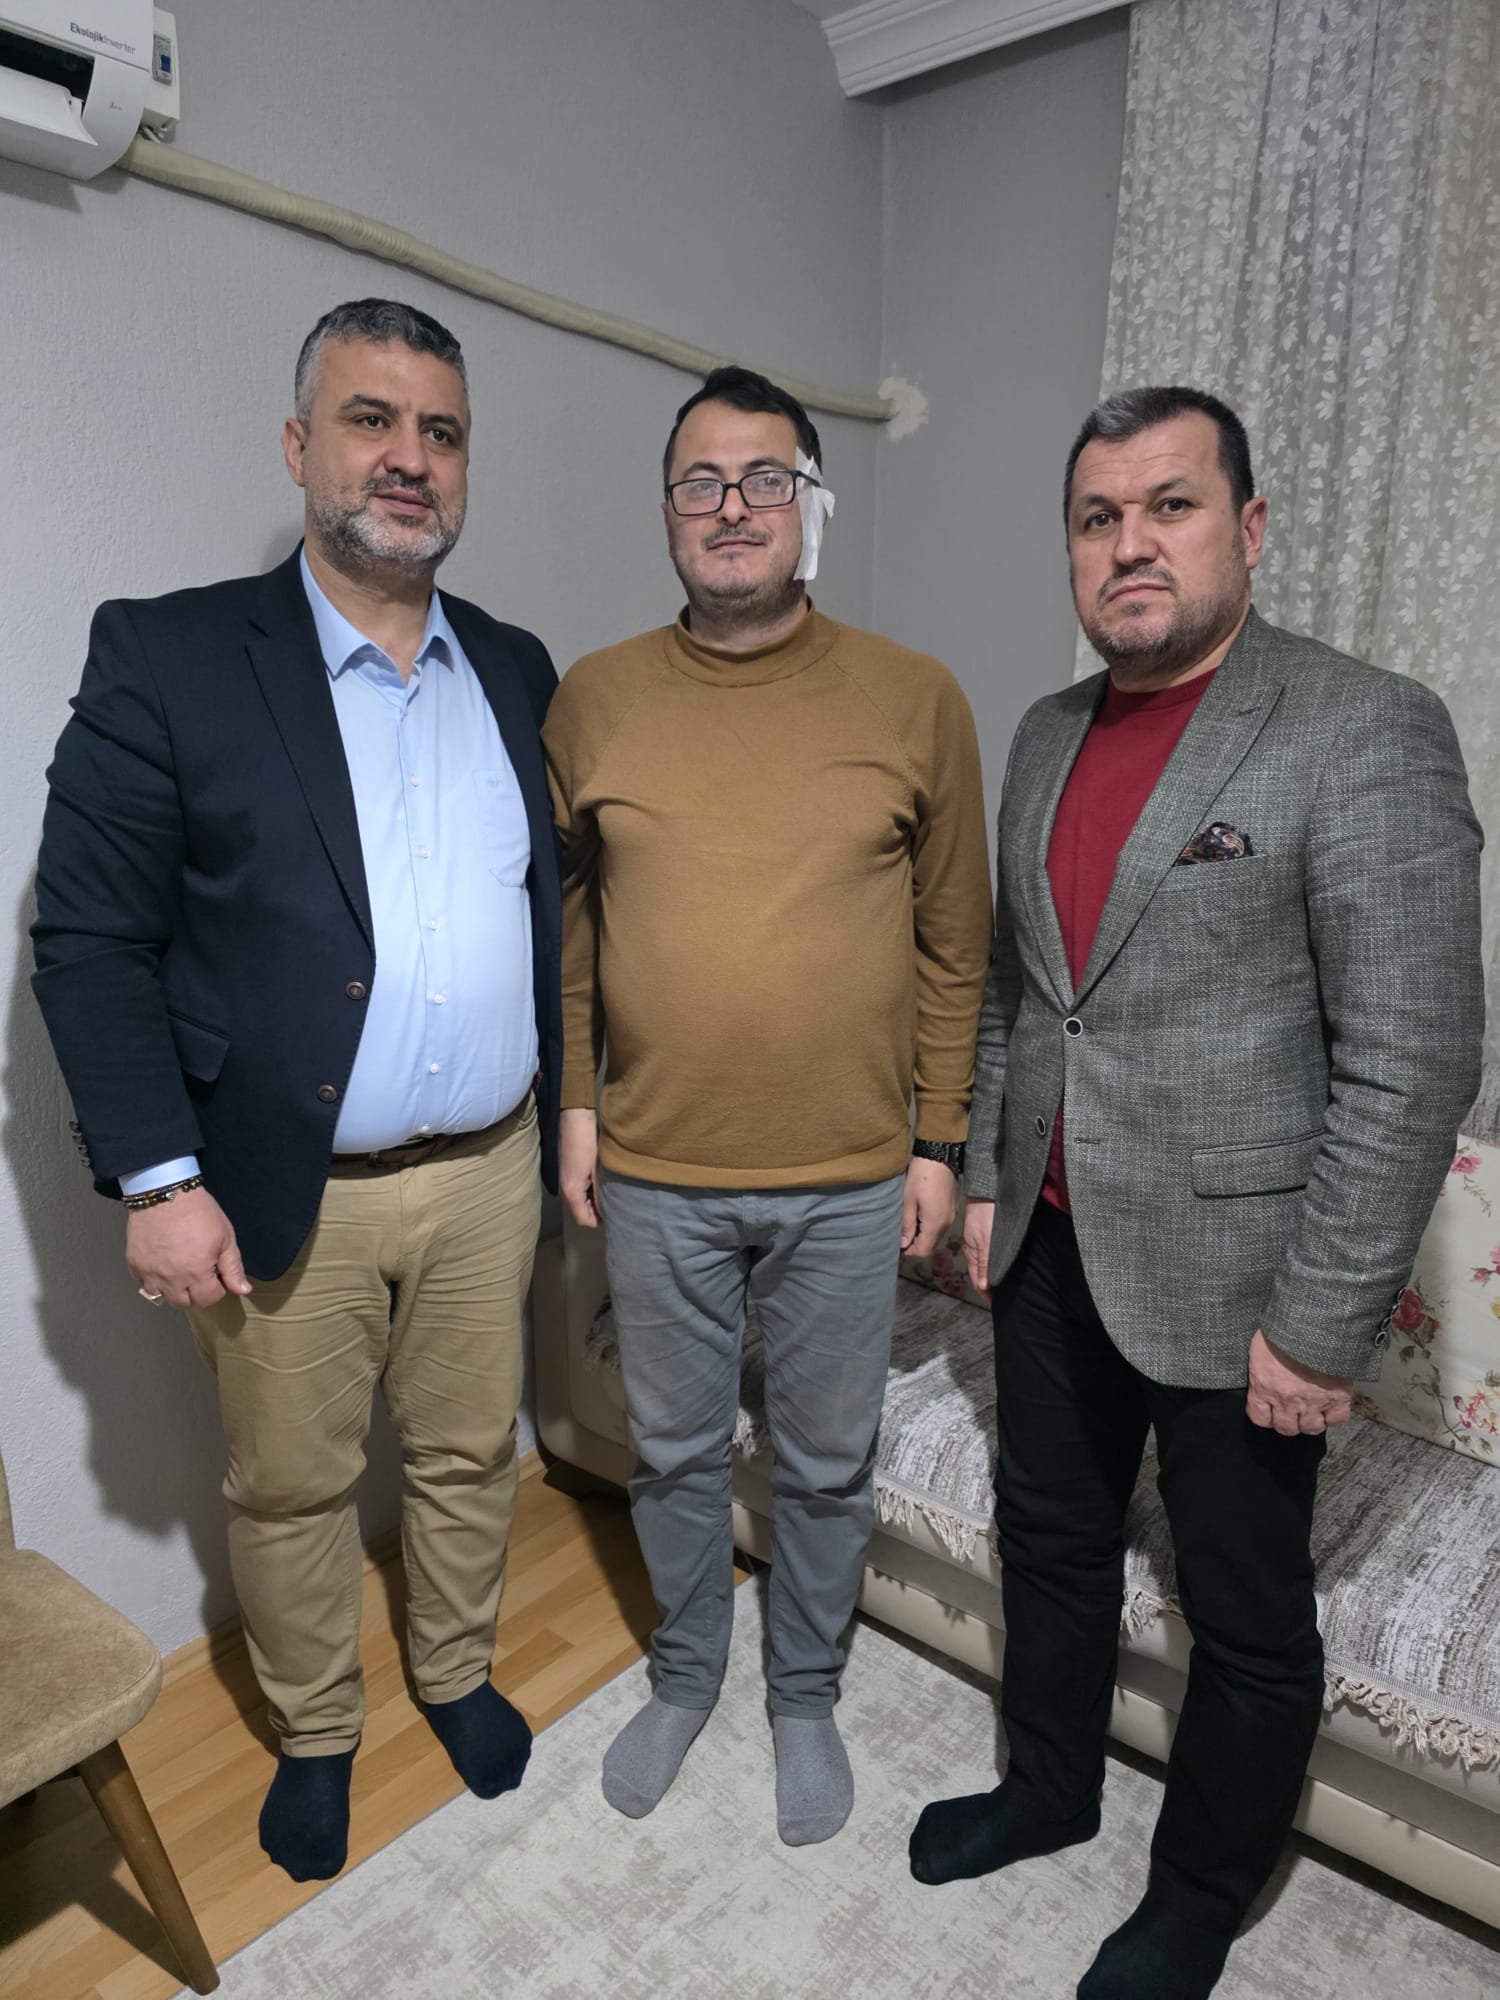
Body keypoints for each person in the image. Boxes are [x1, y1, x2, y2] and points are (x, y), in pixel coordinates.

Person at [908, 385, 1484, 1998]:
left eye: (1170, 506)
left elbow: (1413, 1059)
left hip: (1246, 1291)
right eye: (1098, 518)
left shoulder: (1362, 725)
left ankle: (1198, 1896)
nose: (1131, 545)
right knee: (1051, 1533)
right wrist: (987, 1180)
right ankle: (1046, 1787)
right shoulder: (1044, 732)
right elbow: (1026, 995)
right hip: (1048, 1248)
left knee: (1243, 1610)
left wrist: (1320, 1326)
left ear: (1250, 527)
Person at [32, 298, 562, 1884]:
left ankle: (455, 1672)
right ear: (298, 445)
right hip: (278, 1180)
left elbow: (554, 912)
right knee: (291, 1486)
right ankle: (318, 1726)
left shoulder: (517, 668)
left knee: (470, 1452)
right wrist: (156, 1177)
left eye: (440, 432)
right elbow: (88, 936)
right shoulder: (173, 655)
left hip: (490, 1167)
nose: (409, 458)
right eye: (370, 420)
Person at [544, 365, 992, 1846]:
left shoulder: (915, 697)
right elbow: (573, 927)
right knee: (673, 1452)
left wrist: (939, 1139)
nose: (731, 507)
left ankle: (804, 1693)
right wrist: (579, 1105)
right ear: (667, 509)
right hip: (658, 1167)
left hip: (851, 1177)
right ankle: (686, 1673)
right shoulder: (594, 698)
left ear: (811, 504)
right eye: (700, 481)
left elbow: (956, 945)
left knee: (824, 1462)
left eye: (764, 480)